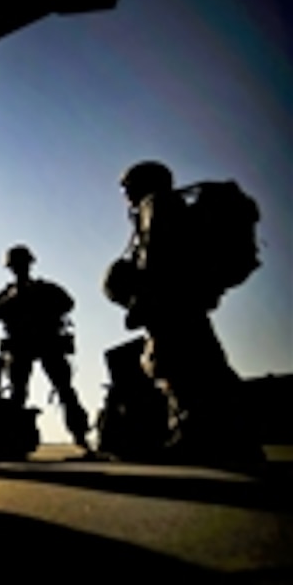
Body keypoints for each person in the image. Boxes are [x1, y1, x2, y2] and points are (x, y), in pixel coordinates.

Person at [111, 160, 261, 463]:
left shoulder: (156, 204)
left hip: (171, 299)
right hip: (185, 298)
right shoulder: (174, 205)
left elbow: (158, 256)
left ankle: (194, 436)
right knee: (205, 363)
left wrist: (144, 299)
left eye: (127, 186)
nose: (124, 193)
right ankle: (236, 440)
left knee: (176, 364)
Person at [0, 244, 93, 455]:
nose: (18, 269)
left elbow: (68, 303)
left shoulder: (45, 288)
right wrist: (14, 299)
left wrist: (43, 302)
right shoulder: (8, 293)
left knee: (64, 390)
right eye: (15, 266)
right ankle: (13, 440)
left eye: (21, 265)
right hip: (21, 345)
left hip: (48, 342)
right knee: (18, 394)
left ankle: (80, 436)